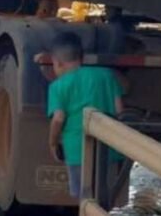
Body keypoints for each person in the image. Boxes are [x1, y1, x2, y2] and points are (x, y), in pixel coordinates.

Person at [47, 32, 124, 199]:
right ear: (81, 57)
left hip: (77, 153)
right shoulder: (107, 76)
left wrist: (53, 142)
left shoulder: (57, 87)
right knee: (105, 199)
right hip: (109, 150)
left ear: (57, 62)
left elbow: (59, 118)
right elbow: (120, 111)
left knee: (85, 200)